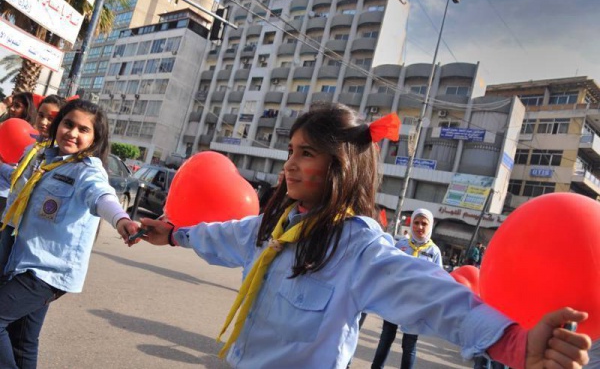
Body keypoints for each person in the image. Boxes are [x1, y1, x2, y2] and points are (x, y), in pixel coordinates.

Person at [138, 103, 591, 368]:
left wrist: (514, 344)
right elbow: (223, 236)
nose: (290, 164)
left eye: (307, 154)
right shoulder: (275, 226)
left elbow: (430, 295)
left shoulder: (357, 246)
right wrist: (174, 234)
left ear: (340, 167)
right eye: (290, 151)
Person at [0, 99, 140, 368]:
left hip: (48, 271)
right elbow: (17, 178)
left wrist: (121, 218)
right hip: (23, 260)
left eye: (83, 130)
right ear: (58, 124)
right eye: (68, 124)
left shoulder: (87, 170)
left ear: (95, 138)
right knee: (23, 340)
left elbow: (101, 195)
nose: (73, 133)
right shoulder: (43, 157)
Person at [371, 208, 443, 369]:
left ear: (430, 226)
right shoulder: (401, 245)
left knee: (409, 345)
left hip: (416, 304)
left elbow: (439, 280)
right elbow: (390, 269)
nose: (420, 227)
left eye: (424, 223)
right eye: (416, 223)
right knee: (385, 339)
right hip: (395, 300)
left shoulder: (434, 252)